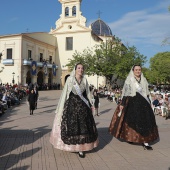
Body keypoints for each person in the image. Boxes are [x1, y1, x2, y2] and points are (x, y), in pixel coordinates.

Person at [50, 63, 99, 158]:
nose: (81, 70)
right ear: (75, 69)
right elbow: (64, 93)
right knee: (73, 127)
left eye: (82, 68)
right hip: (71, 107)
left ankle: (81, 148)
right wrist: (61, 107)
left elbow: (88, 93)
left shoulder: (85, 80)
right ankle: (73, 147)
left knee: (83, 127)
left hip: (83, 108)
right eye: (79, 68)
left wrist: (91, 104)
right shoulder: (70, 79)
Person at [109, 64, 159, 150]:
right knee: (131, 121)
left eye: (139, 69)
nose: (138, 71)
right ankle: (131, 137)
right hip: (132, 103)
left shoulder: (144, 80)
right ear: (133, 71)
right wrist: (122, 104)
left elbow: (146, 93)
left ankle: (145, 142)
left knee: (145, 121)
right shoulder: (129, 80)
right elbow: (125, 93)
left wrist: (150, 103)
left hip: (144, 104)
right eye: (136, 70)